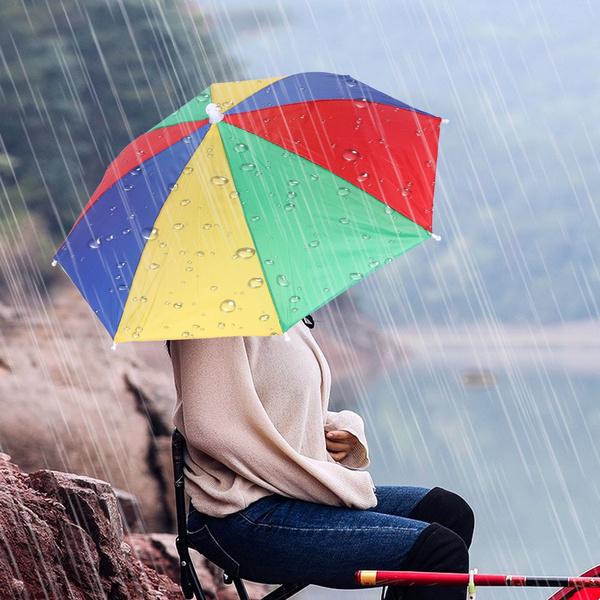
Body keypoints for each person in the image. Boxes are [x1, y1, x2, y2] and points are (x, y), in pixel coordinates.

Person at [166, 315, 474, 599]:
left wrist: (342, 429)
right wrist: (317, 480)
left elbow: (279, 410)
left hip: (292, 498)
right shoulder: (208, 318)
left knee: (448, 511)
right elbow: (209, 426)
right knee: (438, 550)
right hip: (242, 516)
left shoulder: (281, 315)